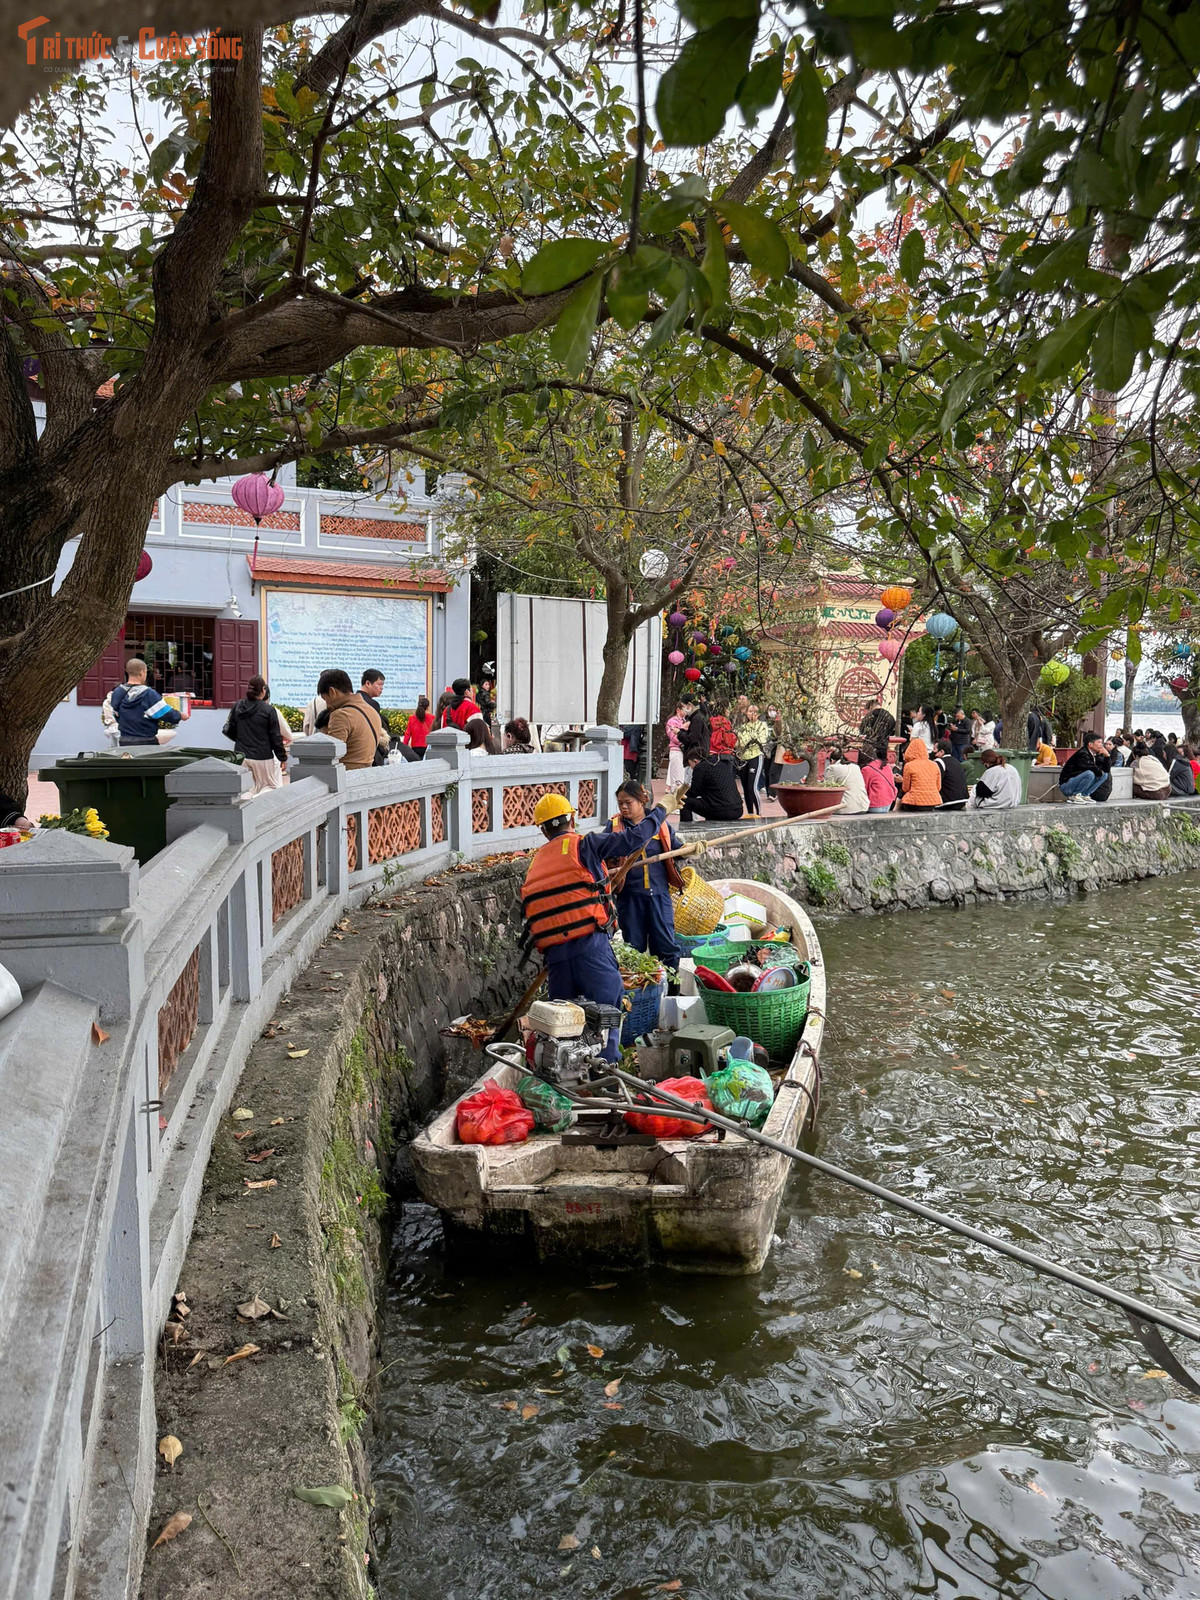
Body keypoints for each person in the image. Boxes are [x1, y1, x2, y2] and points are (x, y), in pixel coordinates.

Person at [520, 791, 686, 1062]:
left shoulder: (536, 862)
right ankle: (606, 1074)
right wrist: (660, 811)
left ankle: (568, 1077)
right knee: (608, 1011)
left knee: (564, 1024)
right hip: (590, 948)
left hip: (555, 958)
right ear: (572, 819)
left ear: (542, 830)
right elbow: (634, 839)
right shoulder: (584, 845)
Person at [605, 780, 692, 972]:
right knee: (633, 949)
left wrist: (688, 850)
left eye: (628, 802)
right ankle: (639, 995)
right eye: (620, 803)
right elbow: (604, 856)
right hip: (630, 899)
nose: (624, 807)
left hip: (659, 897)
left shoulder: (661, 825)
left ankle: (671, 993)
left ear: (642, 800)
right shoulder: (614, 826)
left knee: (666, 948)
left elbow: (675, 850)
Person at [223, 675, 288, 794]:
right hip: (262, 756)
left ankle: (247, 811)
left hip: (241, 755)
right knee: (268, 787)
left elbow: (231, 729)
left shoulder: (238, 705)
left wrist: (241, 740)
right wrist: (282, 757)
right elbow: (275, 737)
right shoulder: (268, 710)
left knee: (246, 790)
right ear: (263, 690)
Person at [316, 668, 388, 769]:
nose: (327, 705)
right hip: (367, 772)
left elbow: (331, 755)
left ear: (332, 692)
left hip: (346, 776)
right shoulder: (372, 711)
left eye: (325, 699)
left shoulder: (341, 715)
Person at [103, 657, 182, 747]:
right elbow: (166, 713)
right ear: (142, 672)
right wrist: (180, 715)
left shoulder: (117, 692)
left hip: (124, 741)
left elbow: (116, 714)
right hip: (147, 741)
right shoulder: (149, 693)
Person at [679, 749, 743, 823]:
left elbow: (694, 792)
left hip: (722, 811)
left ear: (695, 761)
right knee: (710, 801)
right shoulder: (721, 764)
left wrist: (680, 794)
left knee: (684, 802)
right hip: (738, 809)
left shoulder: (700, 767)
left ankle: (685, 830)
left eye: (690, 765)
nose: (691, 768)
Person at [440, 676, 495, 752]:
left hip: (448, 750)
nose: (473, 693)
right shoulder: (472, 709)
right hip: (468, 751)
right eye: (472, 691)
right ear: (466, 692)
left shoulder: (447, 710)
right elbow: (479, 734)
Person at [735, 704, 770, 816]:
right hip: (744, 757)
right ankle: (750, 813)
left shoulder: (762, 725)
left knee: (752, 786)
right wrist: (749, 740)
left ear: (758, 714)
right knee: (745, 787)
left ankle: (759, 813)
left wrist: (750, 740)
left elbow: (761, 740)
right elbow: (741, 742)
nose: (752, 714)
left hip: (756, 756)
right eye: (750, 711)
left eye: (755, 712)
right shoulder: (743, 727)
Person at [1057, 735, 1110, 804]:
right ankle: (1075, 795)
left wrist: (1107, 756)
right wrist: (1100, 770)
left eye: (1101, 743)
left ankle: (1084, 794)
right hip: (1067, 785)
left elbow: (1106, 770)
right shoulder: (1082, 754)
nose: (1101, 745)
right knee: (1089, 774)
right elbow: (1093, 769)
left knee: (1105, 775)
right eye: (1099, 742)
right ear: (1090, 744)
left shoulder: (1095, 754)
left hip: (1075, 783)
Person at [899, 736, 941, 810]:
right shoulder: (934, 764)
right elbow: (938, 787)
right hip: (932, 801)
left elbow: (905, 788)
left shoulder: (909, 765)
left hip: (914, 802)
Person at [824, 746, 869, 813]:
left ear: (832, 760)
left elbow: (827, 787)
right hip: (863, 806)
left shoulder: (832, 768)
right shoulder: (856, 767)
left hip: (846, 808)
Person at [934, 738, 969, 809]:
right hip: (962, 800)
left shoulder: (939, 762)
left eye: (935, 749)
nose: (933, 751)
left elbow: (935, 781)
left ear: (941, 751)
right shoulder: (956, 762)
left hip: (949, 801)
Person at [858, 746, 896, 812]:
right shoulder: (886, 766)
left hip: (875, 805)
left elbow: (863, 789)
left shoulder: (866, 769)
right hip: (888, 804)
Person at [679, 697, 710, 763]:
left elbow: (692, 738)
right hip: (699, 754)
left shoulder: (696, 719)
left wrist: (679, 733)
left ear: (689, 705)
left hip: (696, 756)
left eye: (683, 706)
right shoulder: (699, 716)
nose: (683, 709)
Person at [665, 701, 688, 790]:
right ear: (678, 710)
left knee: (682, 776)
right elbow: (673, 737)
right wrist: (683, 731)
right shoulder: (672, 721)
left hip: (684, 751)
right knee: (676, 777)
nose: (686, 711)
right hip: (676, 750)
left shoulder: (685, 720)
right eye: (684, 709)